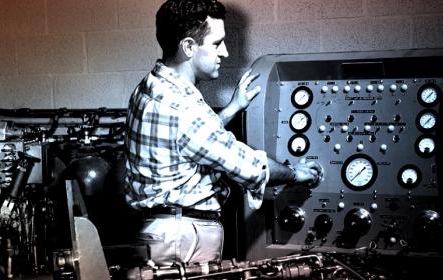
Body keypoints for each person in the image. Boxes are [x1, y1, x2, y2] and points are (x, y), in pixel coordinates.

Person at [124, 0, 321, 266]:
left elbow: (188, 141)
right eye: (217, 43)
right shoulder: (186, 109)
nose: (225, 52)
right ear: (189, 47)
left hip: (158, 231)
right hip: (184, 239)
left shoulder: (150, 87)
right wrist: (297, 173)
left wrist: (232, 109)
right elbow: (250, 167)